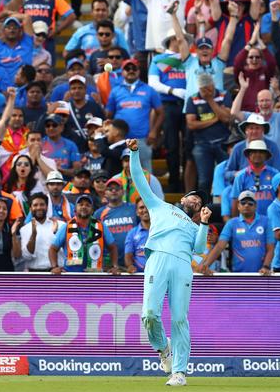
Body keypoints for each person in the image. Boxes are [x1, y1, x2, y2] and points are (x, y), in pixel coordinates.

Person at [126, 138, 210, 387]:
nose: (196, 201)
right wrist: (133, 154)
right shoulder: (160, 206)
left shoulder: (196, 225)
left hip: (183, 265)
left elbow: (199, 249)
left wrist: (204, 223)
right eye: (193, 198)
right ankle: (163, 348)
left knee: (179, 319)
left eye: (200, 202)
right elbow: (139, 181)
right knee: (149, 314)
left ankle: (180, 372)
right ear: (183, 198)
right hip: (158, 260)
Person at [200, 190, 274, 275]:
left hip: (261, 274)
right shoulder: (232, 223)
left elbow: (271, 248)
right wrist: (206, 265)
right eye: (243, 203)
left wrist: (266, 267)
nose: (246, 205)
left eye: (250, 203)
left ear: (255, 206)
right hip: (238, 274)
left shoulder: (266, 221)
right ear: (238, 205)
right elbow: (220, 246)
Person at [48, 194, 119, 273]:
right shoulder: (66, 226)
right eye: (81, 204)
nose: (84, 207)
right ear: (75, 209)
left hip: (95, 275)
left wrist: (114, 266)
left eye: (88, 205)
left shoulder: (101, 226)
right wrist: (55, 267)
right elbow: (53, 249)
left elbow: (113, 247)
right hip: (71, 275)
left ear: (92, 210)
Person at [93, 177, 138, 267]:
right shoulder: (99, 213)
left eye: (117, 188)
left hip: (133, 261)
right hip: (109, 264)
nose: (114, 191)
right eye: (110, 189)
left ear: (123, 191)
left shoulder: (134, 209)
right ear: (105, 193)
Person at [230, 140, 280, 216]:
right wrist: (236, 223)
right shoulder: (241, 176)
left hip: (271, 220)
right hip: (247, 222)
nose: (257, 154)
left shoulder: (275, 174)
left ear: (266, 156)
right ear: (249, 156)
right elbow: (235, 200)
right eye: (254, 152)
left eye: (261, 152)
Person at [19, 192, 65, 271]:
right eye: (35, 205)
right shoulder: (25, 229)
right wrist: (33, 235)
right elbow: (27, 256)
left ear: (47, 207)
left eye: (42, 204)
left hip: (57, 272)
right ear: (30, 208)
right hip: (35, 273)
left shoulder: (61, 225)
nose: (39, 207)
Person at [124, 198, 151, 273]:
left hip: (158, 274)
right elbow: (128, 255)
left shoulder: (161, 231)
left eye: (148, 207)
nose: (145, 210)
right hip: (138, 275)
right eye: (141, 207)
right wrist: (130, 266)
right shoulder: (132, 233)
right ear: (137, 212)